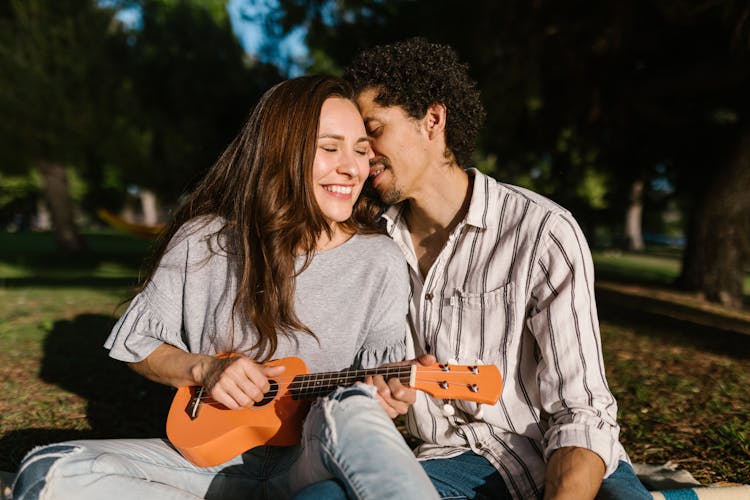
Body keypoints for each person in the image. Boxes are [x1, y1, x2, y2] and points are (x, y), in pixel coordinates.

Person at [11, 75, 439, 500]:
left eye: (361, 150)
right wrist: (205, 369)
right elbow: (138, 346)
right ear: (281, 151)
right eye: (329, 148)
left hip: (311, 460)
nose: (352, 167)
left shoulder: (378, 258)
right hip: (203, 465)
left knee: (353, 408)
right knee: (49, 471)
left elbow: (376, 385)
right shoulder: (204, 241)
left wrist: (386, 396)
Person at [299, 38, 653, 500]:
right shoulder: (366, 245)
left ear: (433, 119)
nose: (362, 159)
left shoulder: (541, 231)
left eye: (374, 132)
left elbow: (582, 411)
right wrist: (376, 400)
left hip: (564, 456)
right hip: (449, 465)